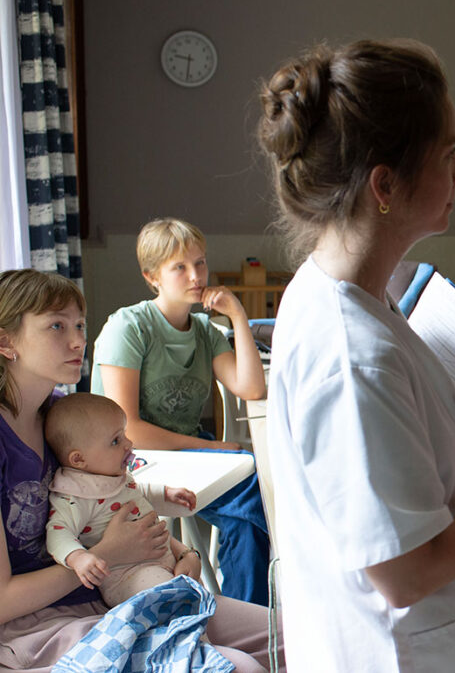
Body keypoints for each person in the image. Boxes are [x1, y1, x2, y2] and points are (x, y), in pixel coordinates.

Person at [257, 40, 455, 671]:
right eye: (448, 154)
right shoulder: (352, 354)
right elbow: (408, 570)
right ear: (385, 185)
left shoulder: (346, 294)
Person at [0, 268, 280, 672]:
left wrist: (184, 553)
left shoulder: (60, 415)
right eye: (56, 326)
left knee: (296, 635)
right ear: (6, 342)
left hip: (114, 589)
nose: (78, 340)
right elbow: (3, 600)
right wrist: (108, 555)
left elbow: (113, 494)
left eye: (79, 324)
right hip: (36, 625)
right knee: (240, 667)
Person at [91, 218, 271, 605]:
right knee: (254, 490)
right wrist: (217, 447)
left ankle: (248, 616)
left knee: (249, 511)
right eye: (180, 267)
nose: (196, 275)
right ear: (151, 276)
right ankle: (257, 610)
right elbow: (129, 431)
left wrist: (237, 315)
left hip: (186, 452)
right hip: (128, 458)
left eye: (200, 263)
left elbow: (252, 387)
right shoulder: (130, 327)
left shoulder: (205, 330)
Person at [45, 392, 200, 608]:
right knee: (178, 605)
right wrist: (78, 557)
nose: (129, 444)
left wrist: (165, 493)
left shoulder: (112, 475)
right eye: (116, 440)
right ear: (79, 459)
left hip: (164, 563)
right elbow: (58, 532)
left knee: (197, 605)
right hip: (128, 577)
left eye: (125, 434)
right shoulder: (74, 495)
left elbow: (134, 491)